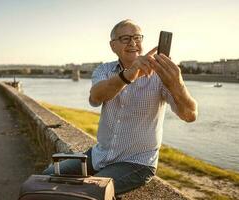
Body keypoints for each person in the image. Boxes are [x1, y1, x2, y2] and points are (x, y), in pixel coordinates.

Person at [42, 19, 198, 196]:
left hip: (136, 163)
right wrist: (128, 75)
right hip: (100, 155)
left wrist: (177, 85)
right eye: (125, 38)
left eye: (137, 37)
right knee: (46, 178)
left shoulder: (159, 76)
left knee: (91, 192)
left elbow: (190, 115)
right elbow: (96, 96)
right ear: (112, 46)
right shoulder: (104, 70)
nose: (133, 43)